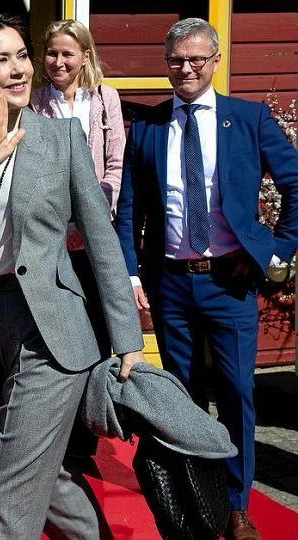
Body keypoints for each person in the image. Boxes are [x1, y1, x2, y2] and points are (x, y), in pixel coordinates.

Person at [0, 14, 145, 539]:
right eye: (1, 59)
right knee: (39, 467)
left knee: (11, 487)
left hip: (54, 328)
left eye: (21, 55)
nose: (19, 69)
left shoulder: (62, 138)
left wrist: (128, 339)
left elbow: (102, 242)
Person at [115, 17, 298, 540]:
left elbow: (295, 185)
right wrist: (131, 275)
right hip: (171, 282)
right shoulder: (147, 129)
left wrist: (275, 252)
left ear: (215, 60)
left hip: (231, 281)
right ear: (166, 63)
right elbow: (129, 211)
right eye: (176, 60)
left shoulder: (248, 119)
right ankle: (200, 494)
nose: (186, 68)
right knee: (183, 397)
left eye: (197, 58)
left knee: (237, 391)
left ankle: (238, 505)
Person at [31, 18, 126, 459]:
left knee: (100, 331)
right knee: (61, 331)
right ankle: (60, 427)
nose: (59, 62)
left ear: (85, 56)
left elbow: (115, 164)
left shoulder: (105, 100)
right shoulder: (35, 102)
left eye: (68, 54)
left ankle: (92, 426)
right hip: (52, 235)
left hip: (94, 234)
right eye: (52, 53)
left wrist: (94, 213)